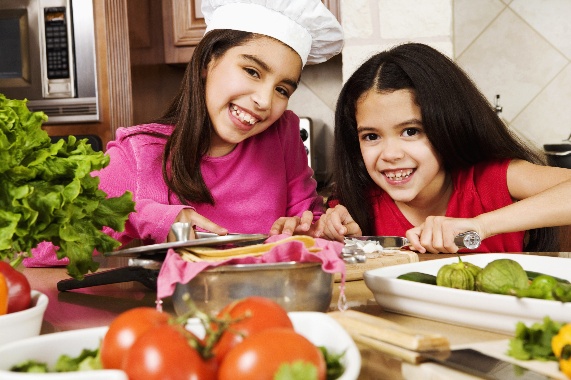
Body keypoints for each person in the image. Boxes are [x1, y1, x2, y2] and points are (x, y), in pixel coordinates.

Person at [24, 0, 343, 266]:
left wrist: (319, 226)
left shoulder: (282, 135)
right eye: (252, 71)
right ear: (208, 60)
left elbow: (307, 222)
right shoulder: (138, 154)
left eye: (283, 89)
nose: (264, 101)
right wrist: (147, 218)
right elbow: (37, 249)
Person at [315, 42, 571, 254]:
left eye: (411, 131)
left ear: (447, 126)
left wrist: (480, 226)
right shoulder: (354, 209)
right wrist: (349, 246)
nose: (390, 154)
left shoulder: (492, 181)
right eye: (371, 136)